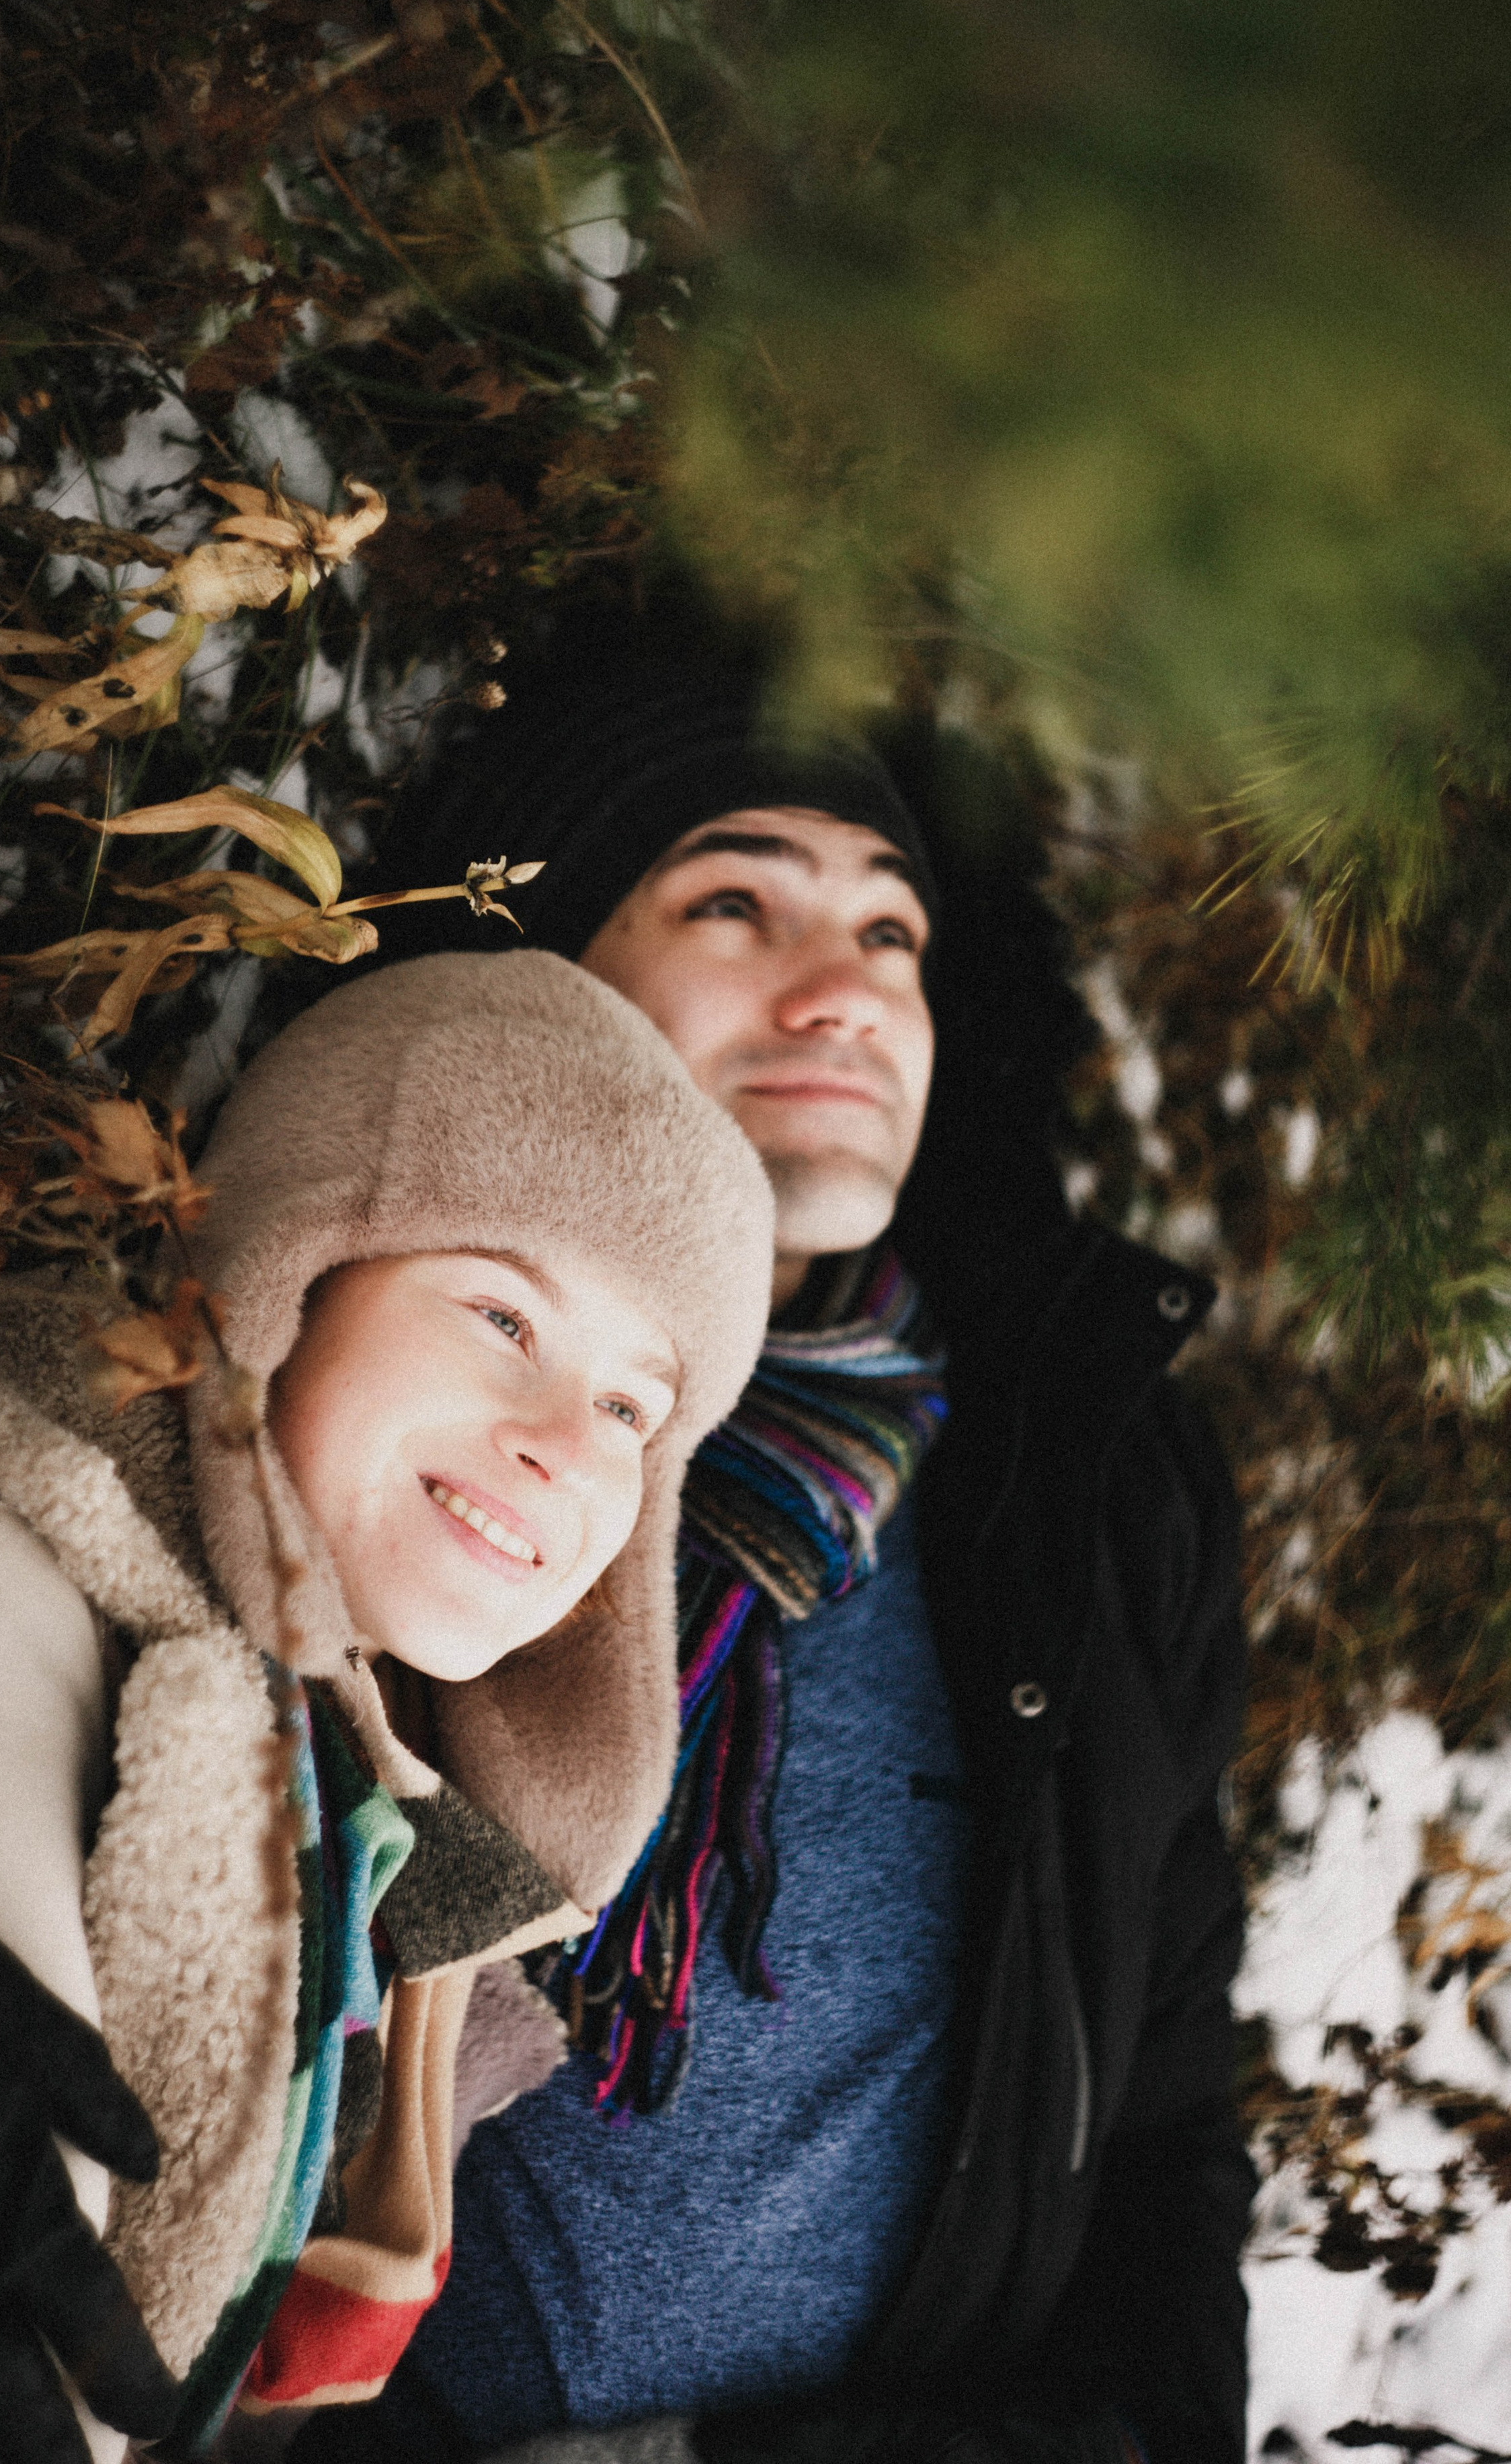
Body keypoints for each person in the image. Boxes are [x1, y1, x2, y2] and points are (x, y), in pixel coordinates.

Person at [273, 629, 1254, 2464]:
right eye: (735, 902)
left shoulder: (1089, 1475)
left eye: (891, 931)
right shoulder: (383, 1403)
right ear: (537, 961)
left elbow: (1160, 2109)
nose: (844, 994)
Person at [0, 949, 774, 2461]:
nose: (567, 1447)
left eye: (632, 1408)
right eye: (503, 1317)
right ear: (283, 1288)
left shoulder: (391, 1854)